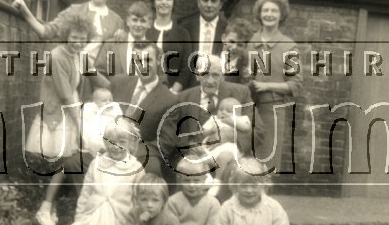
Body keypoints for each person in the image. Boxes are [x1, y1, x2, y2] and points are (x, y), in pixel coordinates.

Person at [24, 13, 104, 225]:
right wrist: (79, 124)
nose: (79, 41)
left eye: (83, 38)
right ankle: (45, 207)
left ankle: (50, 204)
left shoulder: (76, 55)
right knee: (62, 163)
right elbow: (65, 93)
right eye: (75, 37)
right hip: (58, 112)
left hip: (69, 109)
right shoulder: (58, 56)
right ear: (67, 35)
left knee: (63, 163)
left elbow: (91, 79)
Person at [13, 0, 123, 99]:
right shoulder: (75, 10)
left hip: (99, 81)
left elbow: (118, 56)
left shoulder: (117, 20)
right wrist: (25, 11)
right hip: (72, 73)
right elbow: (46, 32)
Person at [160, 55, 265, 185]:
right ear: (197, 75)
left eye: (215, 75)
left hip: (229, 157)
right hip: (193, 157)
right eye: (205, 74)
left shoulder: (241, 93)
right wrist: (189, 143)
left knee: (232, 169)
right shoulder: (182, 98)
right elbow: (170, 132)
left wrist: (232, 137)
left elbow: (258, 131)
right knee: (187, 170)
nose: (210, 80)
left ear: (222, 76)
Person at [61, 120, 145, 225]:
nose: (116, 146)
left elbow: (138, 201)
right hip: (92, 219)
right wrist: (79, 219)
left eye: (122, 141)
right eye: (111, 142)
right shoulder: (97, 163)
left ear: (131, 143)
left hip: (117, 224)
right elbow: (86, 193)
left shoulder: (136, 168)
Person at [246, 0, 303, 173]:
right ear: (259, 13)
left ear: (281, 15)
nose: (269, 14)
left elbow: (296, 84)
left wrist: (266, 85)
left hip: (273, 110)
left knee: (267, 162)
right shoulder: (251, 41)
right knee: (246, 159)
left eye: (274, 11)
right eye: (266, 10)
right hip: (248, 108)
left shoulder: (289, 46)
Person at [110, 43, 177, 179]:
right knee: (76, 162)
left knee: (151, 166)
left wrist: (133, 150)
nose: (143, 65)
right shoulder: (119, 83)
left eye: (148, 60)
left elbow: (164, 142)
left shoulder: (169, 100)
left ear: (158, 61)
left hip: (139, 152)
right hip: (109, 143)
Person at [145, 0, 193, 93]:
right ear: (153, 2)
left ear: (173, 3)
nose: (164, 2)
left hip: (173, 94)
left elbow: (186, 69)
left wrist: (172, 92)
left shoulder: (183, 34)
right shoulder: (145, 31)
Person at [180, 0, 227, 88]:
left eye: (213, 1)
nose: (209, 5)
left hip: (216, 86)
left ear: (220, 4)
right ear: (198, 2)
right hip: (188, 87)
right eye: (205, 0)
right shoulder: (185, 28)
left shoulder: (227, 30)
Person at [202, 97, 252, 199]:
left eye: (229, 111)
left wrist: (230, 121)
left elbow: (246, 128)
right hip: (212, 149)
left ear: (238, 114)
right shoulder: (214, 119)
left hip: (229, 149)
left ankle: (217, 181)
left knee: (223, 157)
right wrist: (211, 131)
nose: (223, 112)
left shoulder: (241, 119)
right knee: (201, 158)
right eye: (221, 110)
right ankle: (207, 178)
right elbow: (202, 132)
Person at [82, 88, 122, 159]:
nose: (108, 102)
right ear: (95, 102)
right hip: (95, 128)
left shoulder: (115, 108)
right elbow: (86, 117)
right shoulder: (90, 108)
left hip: (109, 129)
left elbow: (119, 117)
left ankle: (106, 150)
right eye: (104, 101)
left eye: (110, 100)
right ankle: (95, 149)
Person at [220, 18, 255, 85]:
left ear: (245, 46)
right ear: (223, 38)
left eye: (240, 45)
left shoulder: (245, 70)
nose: (234, 47)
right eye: (231, 41)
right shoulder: (210, 59)